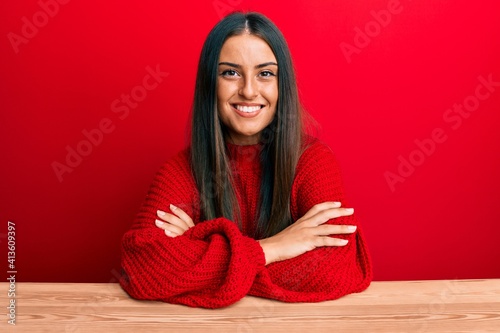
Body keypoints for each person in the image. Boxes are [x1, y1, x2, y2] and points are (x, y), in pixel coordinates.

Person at [120, 11, 372, 309]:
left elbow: (336, 269)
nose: (249, 91)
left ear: (282, 85)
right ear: (209, 84)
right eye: (230, 73)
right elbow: (142, 267)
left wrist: (197, 250)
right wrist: (271, 249)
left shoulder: (312, 161)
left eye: (265, 73)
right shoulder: (181, 171)